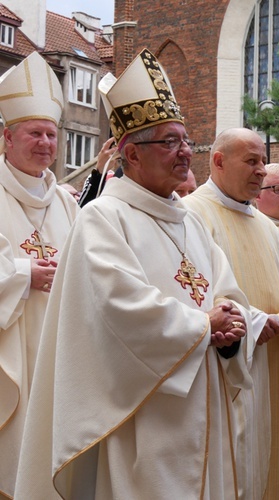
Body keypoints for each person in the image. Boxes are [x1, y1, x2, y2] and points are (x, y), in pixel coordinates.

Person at [15, 48, 261, 499]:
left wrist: (231, 324)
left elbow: (225, 291)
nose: (185, 152)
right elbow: (119, 309)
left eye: (186, 141)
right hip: (145, 416)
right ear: (129, 154)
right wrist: (203, 325)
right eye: (169, 142)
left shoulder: (190, 220)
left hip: (205, 402)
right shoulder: (103, 218)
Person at [182, 128, 279, 499]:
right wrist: (255, 321)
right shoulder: (192, 215)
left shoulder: (266, 226)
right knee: (241, 466)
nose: (261, 170)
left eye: (263, 161)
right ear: (219, 160)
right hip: (232, 367)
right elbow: (195, 294)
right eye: (251, 161)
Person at [0, 51, 76, 499]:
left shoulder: (66, 203)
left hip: (60, 350)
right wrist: (22, 274)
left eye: (51, 133)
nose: (45, 142)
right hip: (11, 347)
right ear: (7, 138)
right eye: (34, 133)